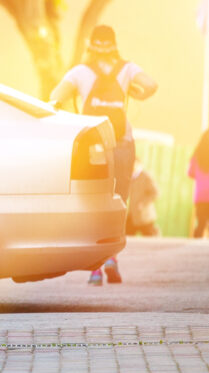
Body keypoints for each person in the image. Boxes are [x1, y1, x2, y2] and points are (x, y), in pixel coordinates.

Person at [50, 24, 158, 285]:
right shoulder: (127, 69)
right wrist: (134, 91)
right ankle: (112, 258)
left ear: (90, 45)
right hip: (122, 142)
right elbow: (151, 85)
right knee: (118, 201)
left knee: (94, 201)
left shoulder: (80, 72)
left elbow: (54, 98)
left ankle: (95, 268)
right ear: (114, 44)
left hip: (93, 144)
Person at [126, 158, 160, 236]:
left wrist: (143, 203)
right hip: (133, 214)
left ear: (139, 165)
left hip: (144, 216)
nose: (133, 167)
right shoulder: (131, 177)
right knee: (127, 236)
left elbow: (156, 193)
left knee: (150, 237)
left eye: (135, 164)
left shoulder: (146, 176)